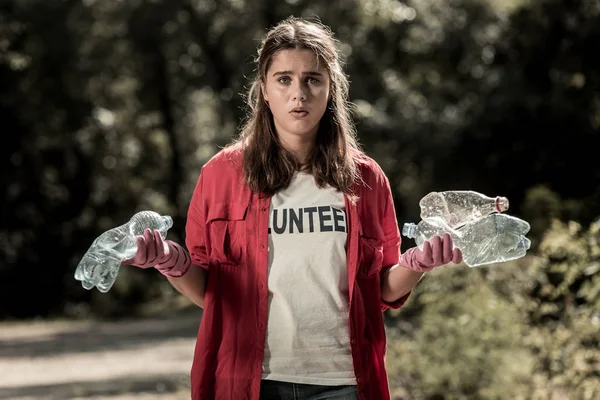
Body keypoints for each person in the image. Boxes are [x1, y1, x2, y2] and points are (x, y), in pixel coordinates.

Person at [122, 16, 462, 400]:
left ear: (330, 88)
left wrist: (417, 265)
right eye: (284, 79)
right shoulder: (220, 175)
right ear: (264, 89)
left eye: (312, 79)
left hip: (346, 383)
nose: (298, 93)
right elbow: (210, 291)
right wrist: (169, 260)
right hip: (250, 382)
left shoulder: (366, 179)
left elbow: (381, 290)